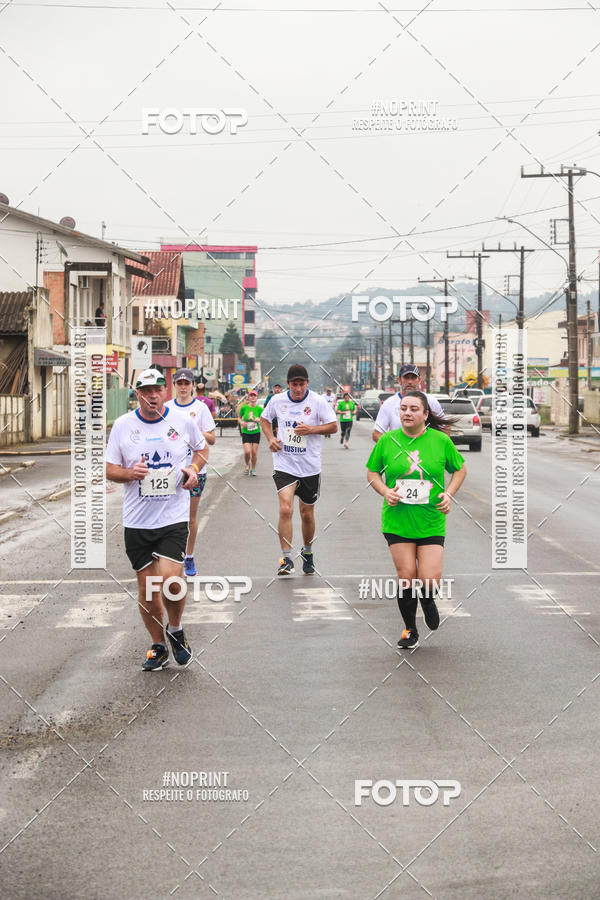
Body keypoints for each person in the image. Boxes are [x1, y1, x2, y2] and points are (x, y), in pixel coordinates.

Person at [106, 368, 208, 671]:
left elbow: (201, 449)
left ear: (164, 391)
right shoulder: (123, 425)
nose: (152, 396)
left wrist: (193, 470)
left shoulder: (181, 421)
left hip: (172, 518)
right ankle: (158, 646)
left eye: (157, 390)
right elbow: (110, 469)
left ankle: (175, 629)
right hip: (137, 522)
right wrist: (129, 473)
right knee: (148, 591)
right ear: (137, 394)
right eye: (146, 391)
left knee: (170, 582)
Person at [366, 391, 465, 650]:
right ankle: (410, 629)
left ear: (425, 414)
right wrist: (385, 491)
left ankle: (428, 599)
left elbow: (459, 469)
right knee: (407, 576)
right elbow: (372, 472)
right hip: (398, 520)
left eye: (413, 409)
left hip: (431, 519)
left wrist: (448, 494)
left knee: (429, 579)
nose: (407, 413)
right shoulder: (387, 441)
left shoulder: (440, 441)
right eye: (403, 408)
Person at [261, 364, 337, 576]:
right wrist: (271, 438)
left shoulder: (317, 401)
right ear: (288, 384)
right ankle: (286, 559)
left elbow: (333, 426)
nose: (298, 388)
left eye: (301, 384)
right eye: (294, 384)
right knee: (286, 509)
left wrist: (311, 429)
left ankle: (308, 552)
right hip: (284, 463)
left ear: (307, 383)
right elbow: (264, 419)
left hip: (309, 466)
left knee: (307, 514)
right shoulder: (277, 401)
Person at [166, 367, 216, 577]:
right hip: (171, 472)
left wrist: (194, 430)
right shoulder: (167, 408)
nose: (183, 387)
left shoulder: (201, 408)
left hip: (195, 471)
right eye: (180, 383)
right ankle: (170, 556)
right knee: (169, 516)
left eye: (187, 383)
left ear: (193, 386)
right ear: (174, 385)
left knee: (190, 517)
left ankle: (189, 556)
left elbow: (211, 439)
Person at [372, 364, 446, 442]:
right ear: (399, 380)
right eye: (406, 378)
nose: (410, 382)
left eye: (413, 378)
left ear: (419, 380)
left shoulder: (431, 401)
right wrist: (393, 447)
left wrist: (438, 446)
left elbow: (445, 427)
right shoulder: (389, 404)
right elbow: (377, 433)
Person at [237, 389, 263, 475]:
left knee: (254, 452)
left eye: (254, 395)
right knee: (247, 452)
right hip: (246, 432)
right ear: (248, 397)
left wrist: (258, 420)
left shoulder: (259, 409)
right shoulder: (244, 408)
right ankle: (247, 465)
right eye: (251, 395)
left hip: (256, 432)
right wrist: (241, 423)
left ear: (256, 397)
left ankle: (253, 469)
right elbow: (239, 417)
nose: (253, 397)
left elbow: (263, 420)